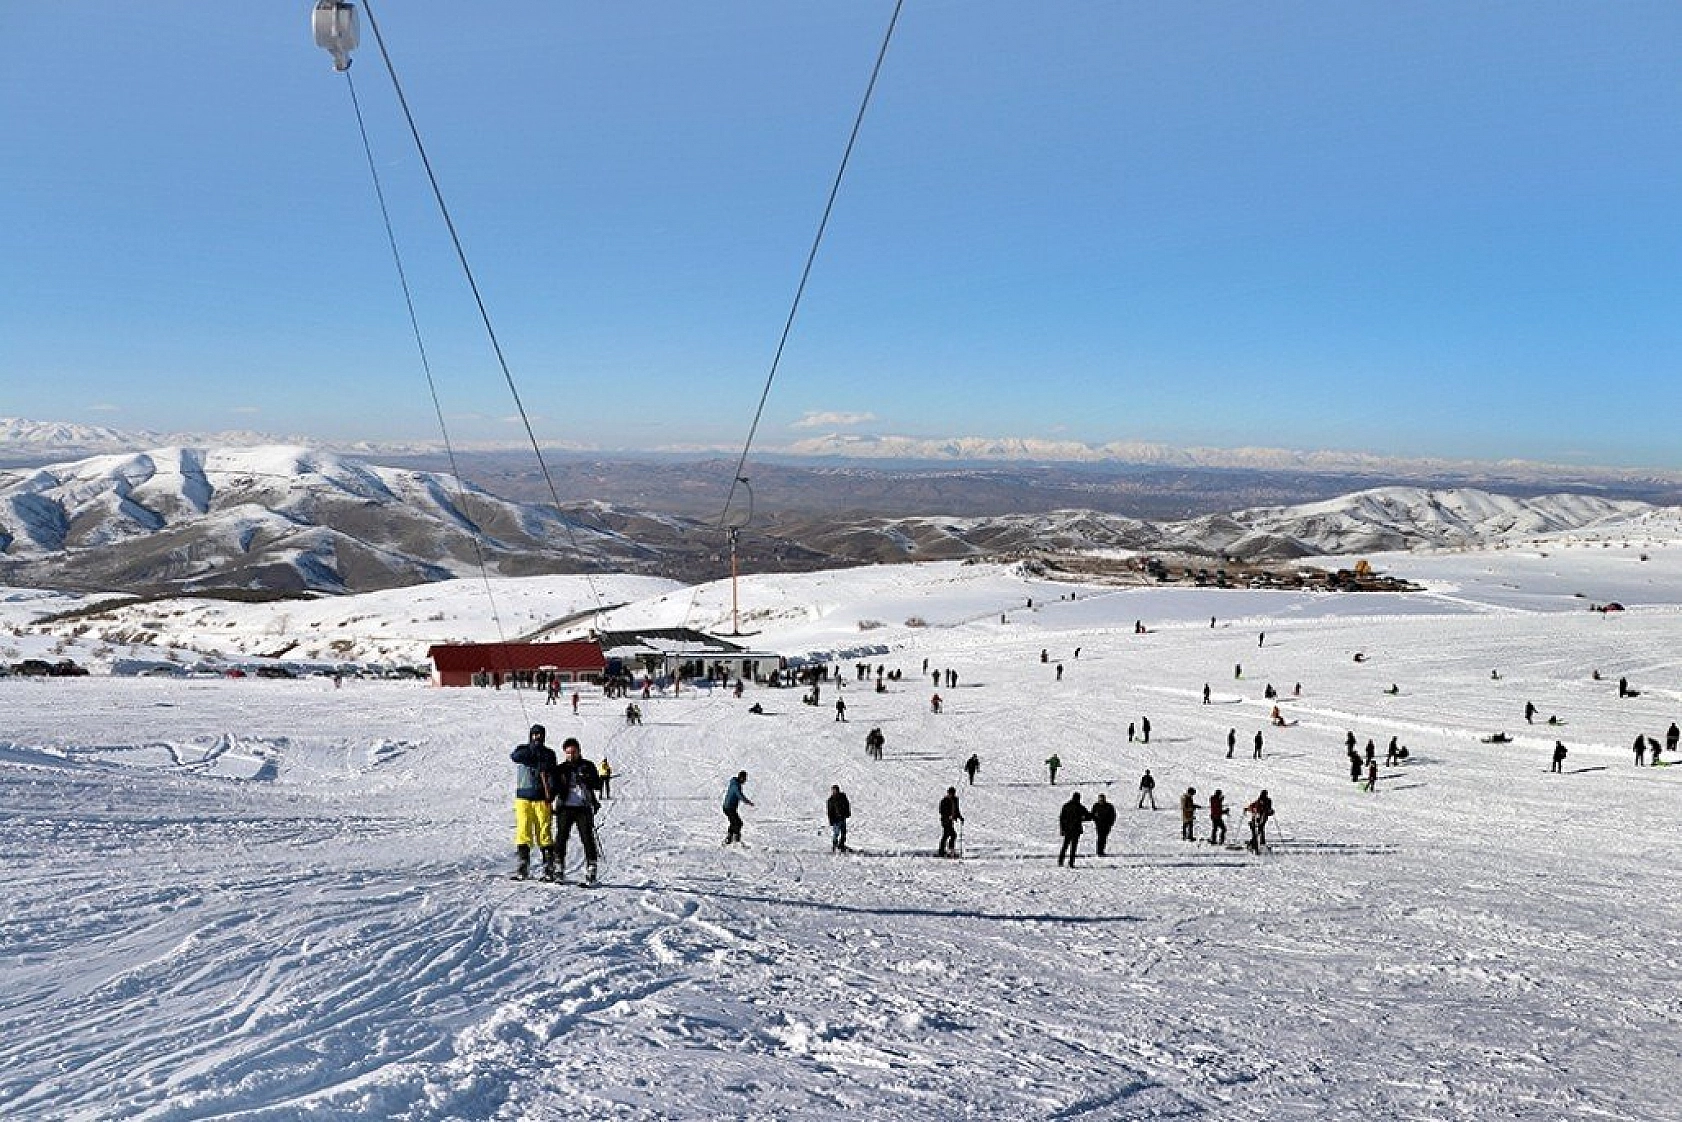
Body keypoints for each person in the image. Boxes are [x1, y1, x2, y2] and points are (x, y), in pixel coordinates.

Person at [551, 737, 603, 883]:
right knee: (561, 838)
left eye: (573, 752)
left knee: (587, 838)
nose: (571, 755)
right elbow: (553, 787)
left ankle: (591, 868)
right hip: (565, 807)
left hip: (583, 807)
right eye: (568, 753)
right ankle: (559, 867)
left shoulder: (588, 765)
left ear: (579, 751)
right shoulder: (561, 769)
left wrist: (587, 778)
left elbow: (598, 784)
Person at [510, 723, 558, 879]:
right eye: (534, 734)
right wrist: (533, 752)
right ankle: (523, 865)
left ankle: (549, 866)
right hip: (523, 797)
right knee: (523, 830)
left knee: (544, 831)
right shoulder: (523, 750)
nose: (537, 737)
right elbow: (515, 757)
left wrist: (551, 795)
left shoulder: (549, 754)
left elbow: (553, 773)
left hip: (541, 799)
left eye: (540, 735)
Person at [1058, 792, 1092, 867]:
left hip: (1067, 829)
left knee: (1065, 846)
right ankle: (1071, 863)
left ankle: (1060, 861)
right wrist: (1090, 816)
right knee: (1073, 847)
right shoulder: (1080, 807)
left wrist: (1062, 829)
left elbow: (1061, 818)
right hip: (1076, 829)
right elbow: (1088, 816)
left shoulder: (1066, 806)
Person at [723, 771, 754, 845]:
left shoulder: (735, 783)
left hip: (729, 807)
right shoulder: (736, 786)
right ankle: (735, 839)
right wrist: (748, 802)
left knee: (734, 823)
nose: (745, 781)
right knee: (738, 823)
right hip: (729, 807)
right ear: (741, 778)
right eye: (745, 779)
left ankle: (730, 838)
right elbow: (739, 795)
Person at [938, 787, 964, 857]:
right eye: (950, 793)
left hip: (951, 821)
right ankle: (946, 850)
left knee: (947, 835)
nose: (952, 795)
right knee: (951, 835)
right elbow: (941, 811)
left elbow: (956, 810)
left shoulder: (955, 800)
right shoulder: (944, 800)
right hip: (945, 821)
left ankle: (944, 850)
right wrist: (948, 816)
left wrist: (960, 817)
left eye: (953, 793)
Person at [826, 785, 852, 853]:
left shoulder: (843, 797)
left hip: (842, 817)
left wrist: (847, 813)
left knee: (843, 832)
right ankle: (835, 845)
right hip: (836, 819)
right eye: (834, 790)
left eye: (836, 790)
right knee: (836, 833)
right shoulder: (831, 800)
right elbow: (830, 811)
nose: (835, 791)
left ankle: (841, 845)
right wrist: (831, 820)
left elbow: (847, 805)